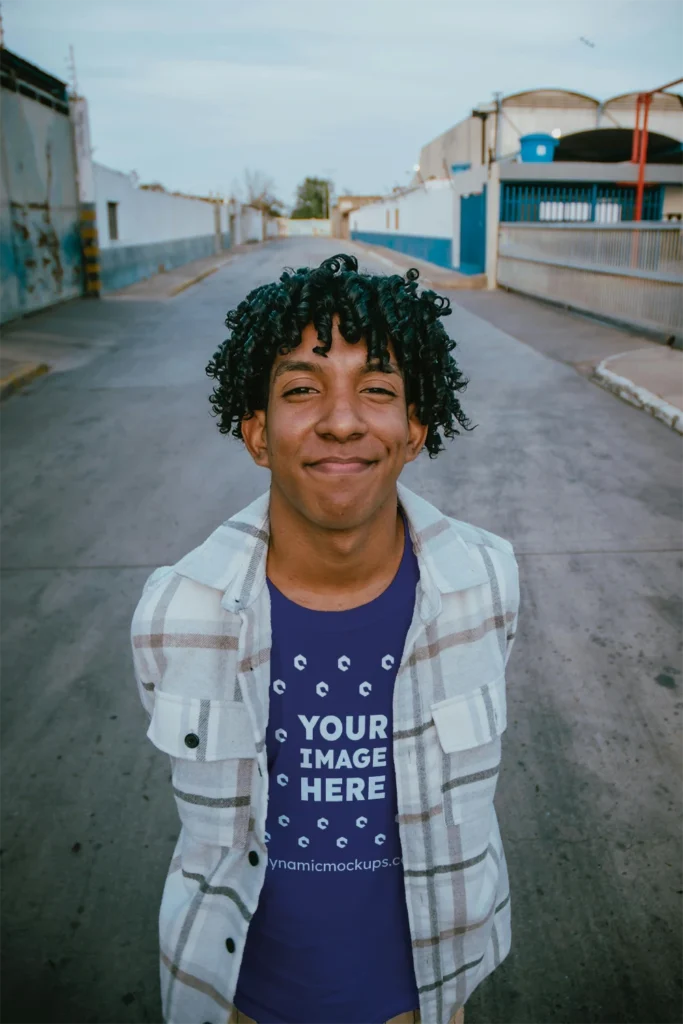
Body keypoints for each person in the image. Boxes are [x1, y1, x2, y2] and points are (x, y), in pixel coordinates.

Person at [131, 253, 520, 1024]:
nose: (341, 420)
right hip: (236, 1001)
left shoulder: (485, 581)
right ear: (256, 433)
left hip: (425, 998)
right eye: (301, 389)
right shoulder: (178, 612)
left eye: (376, 389)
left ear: (415, 429)